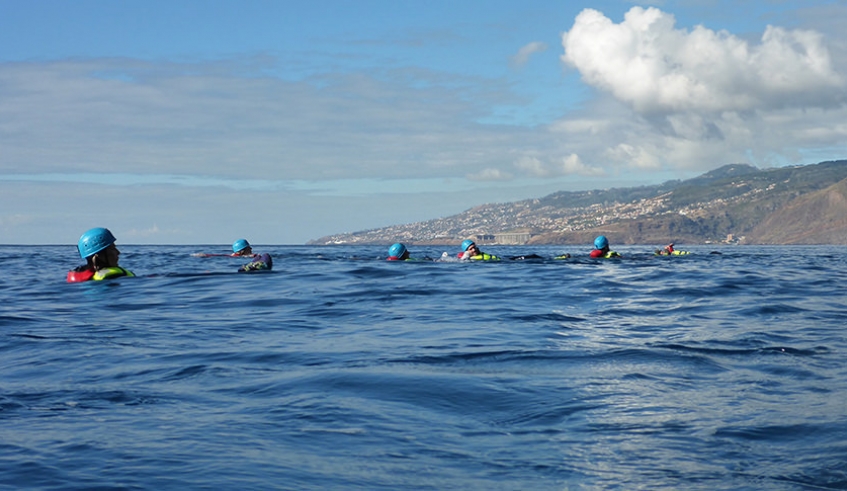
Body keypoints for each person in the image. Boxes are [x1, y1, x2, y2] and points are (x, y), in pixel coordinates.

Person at [67, 227, 135, 282]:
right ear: (99, 256)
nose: (118, 252)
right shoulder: (113, 277)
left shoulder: (86, 279)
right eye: (112, 248)